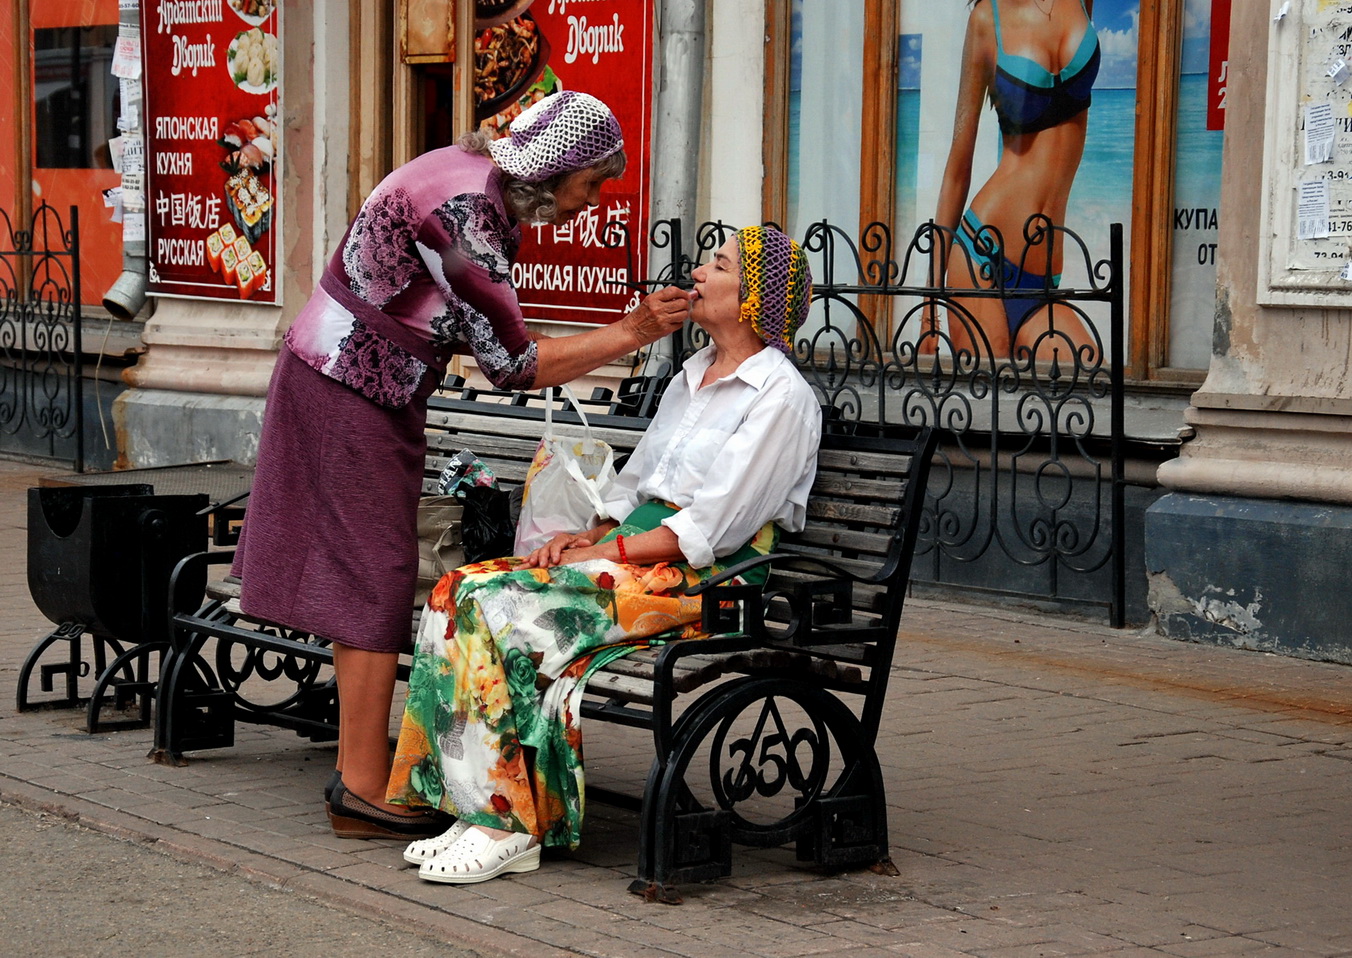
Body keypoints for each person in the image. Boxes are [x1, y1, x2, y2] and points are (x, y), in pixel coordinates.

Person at [231, 91, 693, 840]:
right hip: (349, 385)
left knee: (365, 567)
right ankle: (358, 786)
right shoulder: (466, 220)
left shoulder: (472, 174)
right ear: (557, 170)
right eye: (595, 182)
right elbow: (512, 365)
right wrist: (631, 331)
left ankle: (363, 769)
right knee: (374, 571)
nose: (594, 201)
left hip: (349, 379)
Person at [385, 226, 822, 884]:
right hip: (634, 557)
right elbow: (637, 484)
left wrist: (607, 551)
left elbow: (710, 529)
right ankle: (482, 808)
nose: (701, 271)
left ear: (754, 297)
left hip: (703, 580)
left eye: (721, 264)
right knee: (456, 593)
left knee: (499, 609)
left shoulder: (781, 398)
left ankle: (509, 823)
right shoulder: (693, 374)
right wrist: (588, 535)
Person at [934, 0, 1099, 360]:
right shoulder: (986, 19)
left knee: (1089, 380)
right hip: (984, 253)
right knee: (985, 407)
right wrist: (928, 308)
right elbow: (957, 169)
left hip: (1043, 278)